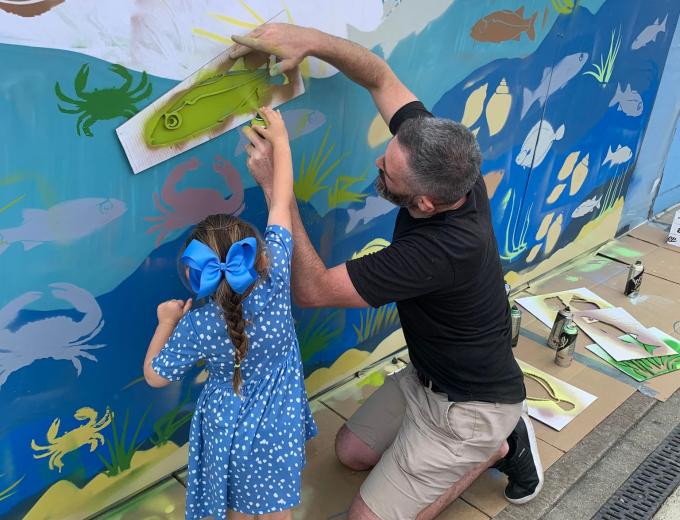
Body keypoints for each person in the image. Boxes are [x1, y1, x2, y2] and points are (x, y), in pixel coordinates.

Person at [235, 24, 544, 520]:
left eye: (387, 174)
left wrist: (280, 189)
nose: (379, 162)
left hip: (470, 408)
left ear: (425, 201)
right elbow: (379, 77)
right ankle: (467, 442)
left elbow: (312, 291)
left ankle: (497, 446)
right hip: (429, 379)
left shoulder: (439, 251)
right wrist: (310, 41)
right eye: (389, 153)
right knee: (349, 452)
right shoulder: (444, 160)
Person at [143, 107, 317, 520]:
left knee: (235, 508)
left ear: (193, 275)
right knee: (278, 510)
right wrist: (280, 140)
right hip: (279, 429)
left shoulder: (196, 325)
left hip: (228, 430)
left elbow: (154, 375)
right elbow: (281, 202)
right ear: (255, 253)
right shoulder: (274, 281)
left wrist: (167, 321)